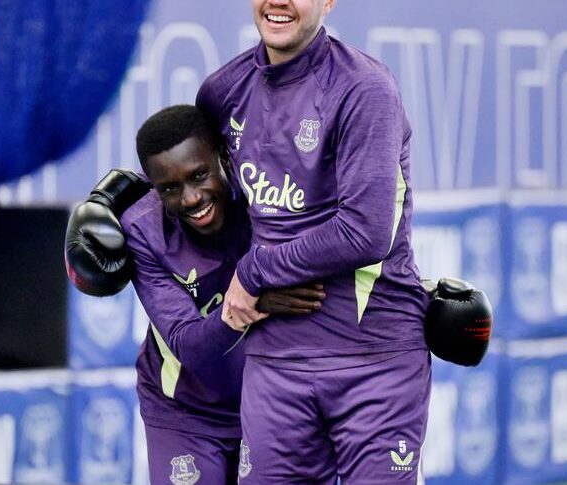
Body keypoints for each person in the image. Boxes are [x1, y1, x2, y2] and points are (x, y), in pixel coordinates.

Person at [194, 0, 432, 482]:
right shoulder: (221, 92)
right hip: (274, 364)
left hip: (373, 361)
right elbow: (193, 199)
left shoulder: (364, 88)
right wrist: (117, 204)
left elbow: (364, 232)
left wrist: (255, 271)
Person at [66, 104, 326, 485]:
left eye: (199, 175)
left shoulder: (266, 194)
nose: (190, 198)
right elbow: (188, 343)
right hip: (185, 411)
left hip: (272, 403)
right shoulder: (143, 231)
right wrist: (251, 301)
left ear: (224, 157)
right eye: (170, 188)